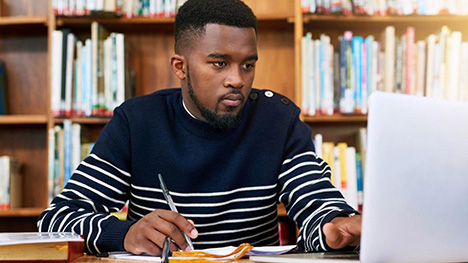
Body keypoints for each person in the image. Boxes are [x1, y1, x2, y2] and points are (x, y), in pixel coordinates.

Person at [38, 0, 361, 256]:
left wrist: (333, 226)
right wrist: (125, 233)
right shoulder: (136, 122)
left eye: (248, 65)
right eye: (219, 63)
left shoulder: (279, 120)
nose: (238, 79)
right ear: (180, 67)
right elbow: (56, 220)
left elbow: (316, 199)